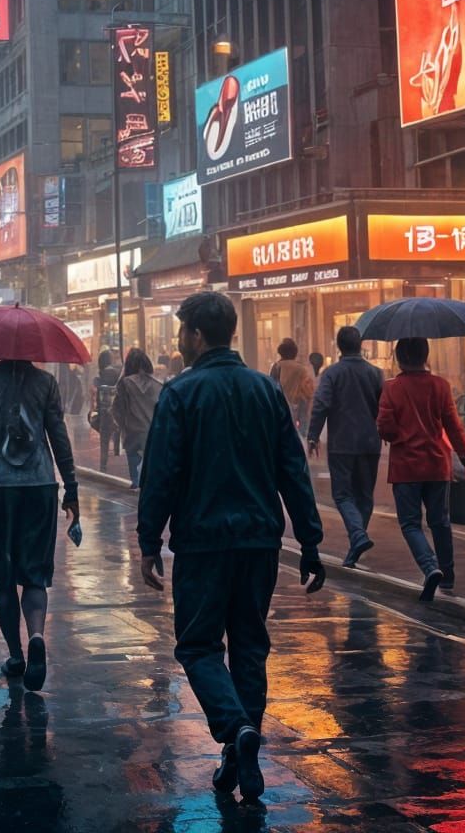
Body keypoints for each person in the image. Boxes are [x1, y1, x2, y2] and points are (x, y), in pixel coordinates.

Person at [138, 291, 325, 803]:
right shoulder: (265, 392)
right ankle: (242, 753)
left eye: (182, 332)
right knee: (249, 645)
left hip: (201, 543)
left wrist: (149, 540)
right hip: (260, 541)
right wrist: (309, 539)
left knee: (198, 646)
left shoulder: (180, 393)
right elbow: (293, 470)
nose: (178, 342)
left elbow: (161, 474)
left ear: (196, 335)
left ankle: (233, 728)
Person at [0, 357, 78, 689]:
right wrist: (71, 488)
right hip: (40, 485)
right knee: (35, 575)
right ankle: (36, 635)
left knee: (3, 578)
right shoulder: (46, 382)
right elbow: (59, 436)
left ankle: (16, 655)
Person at [377, 336, 465, 601]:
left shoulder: (392, 388)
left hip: (406, 466)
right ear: (425, 355)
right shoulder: (441, 386)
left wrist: (396, 436)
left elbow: (384, 425)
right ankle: (448, 575)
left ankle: (430, 567)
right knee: (440, 521)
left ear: (399, 358)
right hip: (436, 464)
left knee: (410, 524)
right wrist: (464, 454)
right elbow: (453, 424)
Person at [305, 325, 383, 568]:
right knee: (364, 496)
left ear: (339, 347)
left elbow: (321, 404)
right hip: (371, 441)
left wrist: (313, 435)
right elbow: (384, 405)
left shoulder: (332, 374)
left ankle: (358, 535)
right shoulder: (375, 373)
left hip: (342, 442)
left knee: (342, 494)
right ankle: (356, 542)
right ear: (360, 345)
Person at [111, 348, 162, 488]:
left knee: (136, 480)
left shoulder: (124, 384)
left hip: (133, 435)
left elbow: (117, 410)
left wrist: (123, 425)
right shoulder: (158, 384)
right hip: (154, 434)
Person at [271, 338, 315, 433]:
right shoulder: (301, 369)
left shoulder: (276, 366)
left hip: (280, 406)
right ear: (295, 352)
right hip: (298, 405)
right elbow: (308, 391)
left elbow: (271, 387)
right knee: (301, 432)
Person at [94, 350, 122, 470]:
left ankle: (103, 465)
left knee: (104, 440)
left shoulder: (101, 375)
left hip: (104, 411)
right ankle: (116, 453)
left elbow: (99, 397)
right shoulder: (117, 372)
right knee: (117, 431)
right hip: (116, 410)